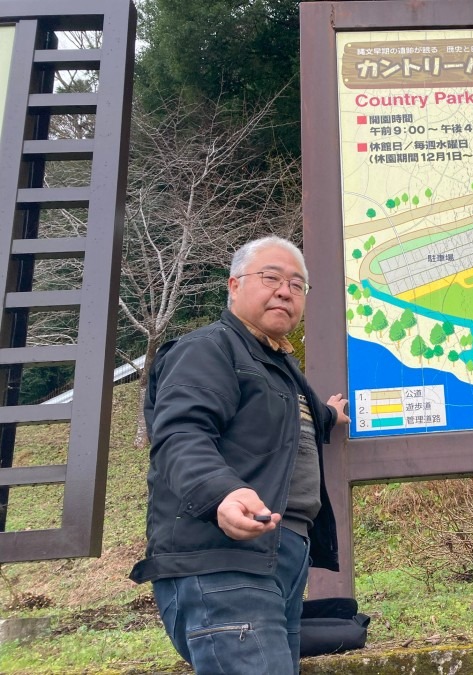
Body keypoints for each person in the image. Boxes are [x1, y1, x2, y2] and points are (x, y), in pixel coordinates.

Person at [130, 236, 350, 674]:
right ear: (233, 285)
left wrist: (329, 415)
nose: (285, 290)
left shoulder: (277, 366)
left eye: (297, 284)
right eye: (271, 277)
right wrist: (222, 494)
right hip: (224, 560)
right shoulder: (207, 349)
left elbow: (288, 417)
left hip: (279, 556)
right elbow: (180, 433)